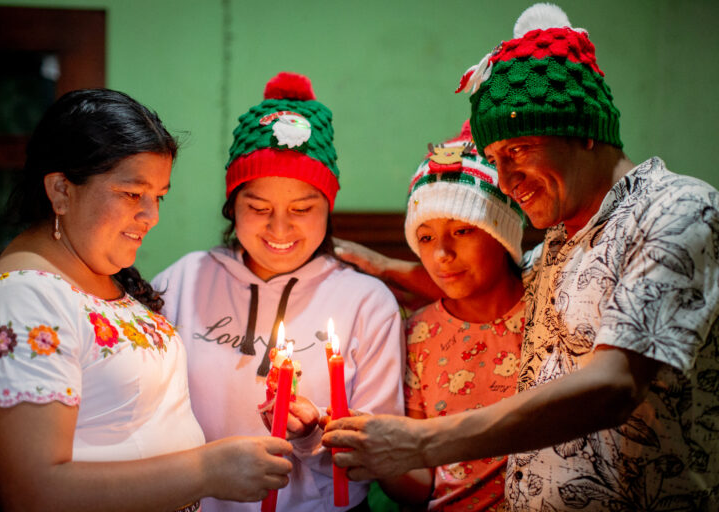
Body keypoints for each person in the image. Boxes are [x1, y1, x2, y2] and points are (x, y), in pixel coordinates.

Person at [323, 4, 719, 511]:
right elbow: (490, 289)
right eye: (494, 159)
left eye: (519, 150)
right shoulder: (560, 238)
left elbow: (615, 384)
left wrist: (423, 442)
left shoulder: (676, 211)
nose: (506, 181)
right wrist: (380, 266)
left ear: (583, 129)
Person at [0, 88, 293, 512]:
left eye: (160, 196)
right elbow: (33, 491)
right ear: (61, 190)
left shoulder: (96, 275)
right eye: (133, 194)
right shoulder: (20, 299)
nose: (151, 216)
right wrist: (205, 471)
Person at [152, 72, 404, 512]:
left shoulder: (367, 302)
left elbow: (379, 451)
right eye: (259, 208)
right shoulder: (181, 282)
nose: (280, 229)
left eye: (303, 209)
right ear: (232, 206)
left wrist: (310, 436)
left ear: (329, 207)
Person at [376, 123, 526, 512]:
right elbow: (421, 483)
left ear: (502, 234)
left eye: (462, 230)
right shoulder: (417, 333)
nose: (441, 253)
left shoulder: (547, 313)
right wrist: (373, 453)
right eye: (425, 237)